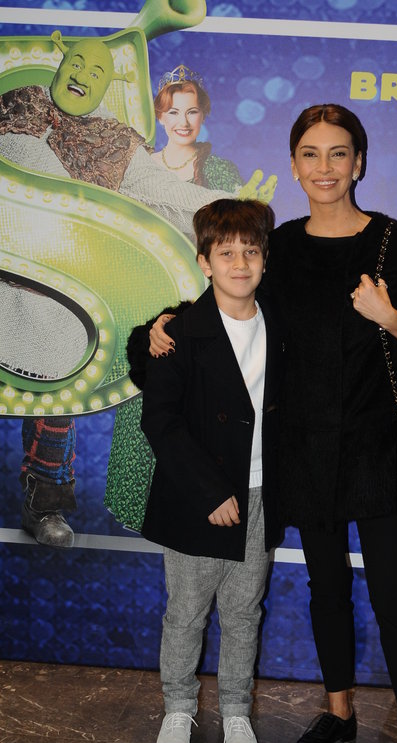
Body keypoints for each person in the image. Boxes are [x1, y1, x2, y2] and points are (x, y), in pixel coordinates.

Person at [142, 103, 397, 743]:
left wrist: (392, 317)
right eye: (311, 154)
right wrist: (158, 327)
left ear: (360, 163)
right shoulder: (281, 247)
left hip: (379, 452)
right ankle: (338, 711)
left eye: (338, 153)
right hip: (307, 454)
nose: (325, 168)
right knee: (327, 589)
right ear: (293, 166)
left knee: (391, 594)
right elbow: (222, 311)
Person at [0, 31, 275, 547]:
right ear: (60, 64)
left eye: (97, 71)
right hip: (8, 265)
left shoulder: (113, 139)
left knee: (60, 376)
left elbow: (165, 191)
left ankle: (47, 500)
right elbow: (24, 163)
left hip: (64, 290)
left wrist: (232, 202)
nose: (83, 75)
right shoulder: (19, 103)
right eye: (77, 63)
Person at [139, 198, 283, 743]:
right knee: (186, 612)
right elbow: (161, 421)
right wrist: (210, 491)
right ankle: (178, 708)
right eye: (226, 253)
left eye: (251, 252)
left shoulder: (282, 324)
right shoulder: (178, 332)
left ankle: (236, 712)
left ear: (265, 259)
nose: (239, 264)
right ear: (204, 262)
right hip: (198, 498)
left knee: (245, 612)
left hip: (262, 495)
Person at [104, 66, 244, 531]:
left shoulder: (220, 172)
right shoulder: (136, 165)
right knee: (142, 403)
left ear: (204, 114)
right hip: (140, 296)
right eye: (173, 112)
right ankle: (135, 505)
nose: (183, 122)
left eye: (192, 111)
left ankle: (197, 501)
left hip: (196, 303)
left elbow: (230, 244)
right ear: (160, 116)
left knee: (195, 409)